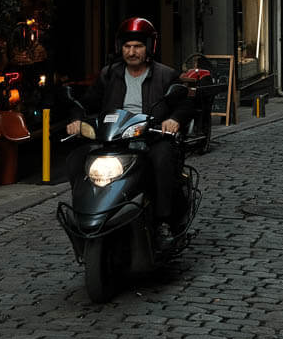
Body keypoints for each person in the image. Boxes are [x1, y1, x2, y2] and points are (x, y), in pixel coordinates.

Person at [64, 16, 191, 238]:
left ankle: (163, 220)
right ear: (120, 48)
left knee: (162, 160)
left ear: (149, 47)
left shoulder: (165, 74)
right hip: (113, 140)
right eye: (127, 46)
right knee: (77, 158)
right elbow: (86, 103)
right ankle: (84, 215)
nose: (132, 52)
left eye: (138, 46)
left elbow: (184, 103)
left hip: (151, 138)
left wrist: (174, 120)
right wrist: (76, 120)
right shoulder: (109, 74)